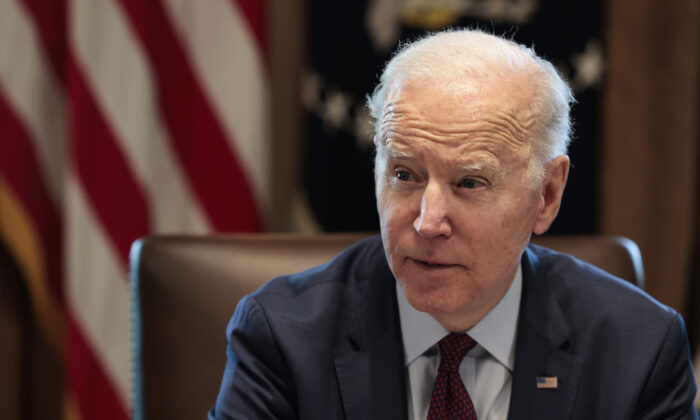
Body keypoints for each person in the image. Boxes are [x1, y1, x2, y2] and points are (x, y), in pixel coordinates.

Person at [208, 29, 698, 419]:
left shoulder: (638, 351)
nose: (427, 222)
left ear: (547, 195)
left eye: (469, 182)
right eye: (404, 174)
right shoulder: (283, 338)